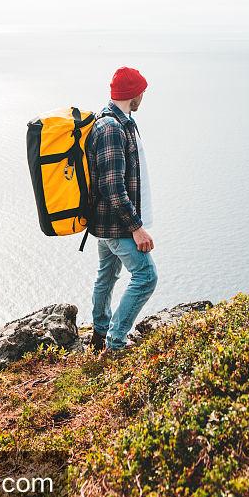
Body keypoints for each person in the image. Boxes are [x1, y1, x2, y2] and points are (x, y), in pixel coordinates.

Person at [87, 66, 157, 353]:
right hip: (118, 226)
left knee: (107, 274)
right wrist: (137, 228)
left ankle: (99, 331)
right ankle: (115, 342)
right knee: (145, 277)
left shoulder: (122, 121)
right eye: (141, 90)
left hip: (107, 224)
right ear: (132, 94)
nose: (143, 95)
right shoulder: (112, 129)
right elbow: (113, 187)